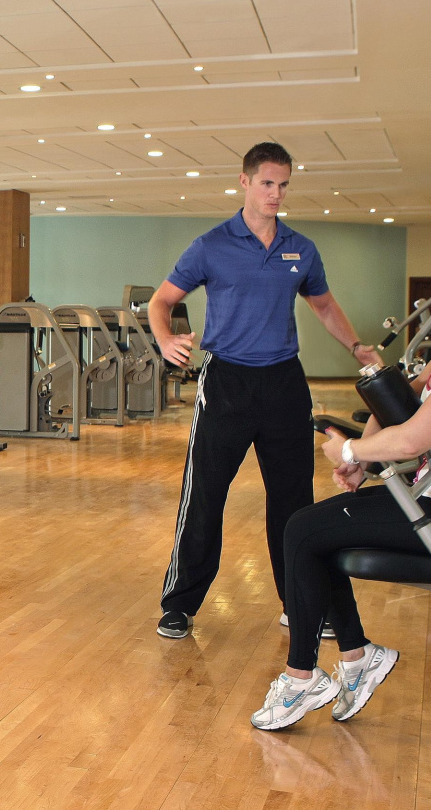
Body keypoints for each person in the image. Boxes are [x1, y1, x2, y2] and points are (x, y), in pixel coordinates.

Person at [250, 236, 431, 730]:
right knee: (313, 533)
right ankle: (357, 659)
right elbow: (396, 403)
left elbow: (414, 437)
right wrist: (364, 461)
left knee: (302, 530)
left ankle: (301, 677)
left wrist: (351, 451)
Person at [151, 142, 381, 640]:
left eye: (283, 185)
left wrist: (356, 346)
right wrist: (166, 339)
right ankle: (180, 603)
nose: (276, 194)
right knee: (205, 495)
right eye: (267, 183)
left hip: (284, 383)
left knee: (294, 502)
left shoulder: (301, 248)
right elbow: (161, 301)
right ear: (245, 182)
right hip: (226, 381)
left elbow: (324, 305)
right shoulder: (211, 245)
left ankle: (298, 604)